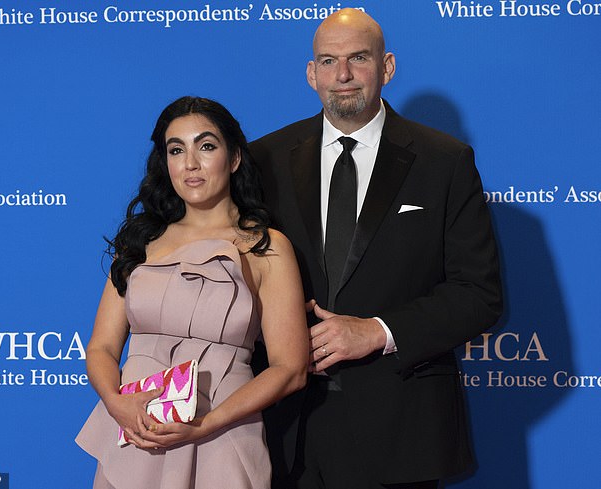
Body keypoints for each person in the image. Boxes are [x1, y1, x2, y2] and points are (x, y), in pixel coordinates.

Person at [249, 9, 503, 489]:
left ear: (386, 67)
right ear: (311, 74)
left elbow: (479, 293)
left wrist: (379, 331)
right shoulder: (263, 160)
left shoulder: (445, 162)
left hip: (401, 431)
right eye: (328, 61)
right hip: (284, 430)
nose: (341, 75)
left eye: (357, 58)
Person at [76, 96, 308, 489]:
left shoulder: (266, 247)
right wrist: (117, 405)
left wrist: (205, 425)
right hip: (137, 434)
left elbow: (291, 369)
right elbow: (101, 348)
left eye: (206, 146)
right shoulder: (140, 240)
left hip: (223, 432)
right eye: (176, 150)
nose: (190, 164)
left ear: (234, 158)